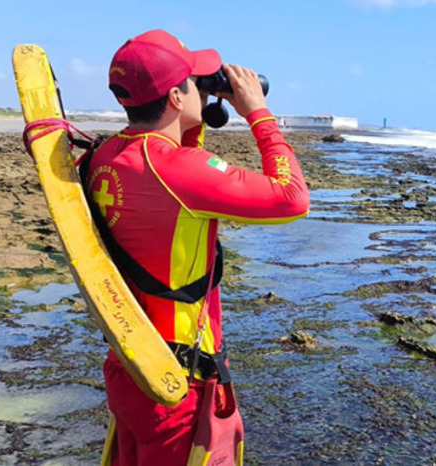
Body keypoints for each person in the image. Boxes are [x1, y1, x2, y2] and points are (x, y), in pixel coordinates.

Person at [84, 29, 309, 465]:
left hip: (128, 365)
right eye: (195, 82)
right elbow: (292, 198)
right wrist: (258, 114)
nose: (202, 89)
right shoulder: (179, 171)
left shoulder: (103, 154)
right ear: (173, 97)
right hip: (176, 381)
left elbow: (170, 174)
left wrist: (195, 116)